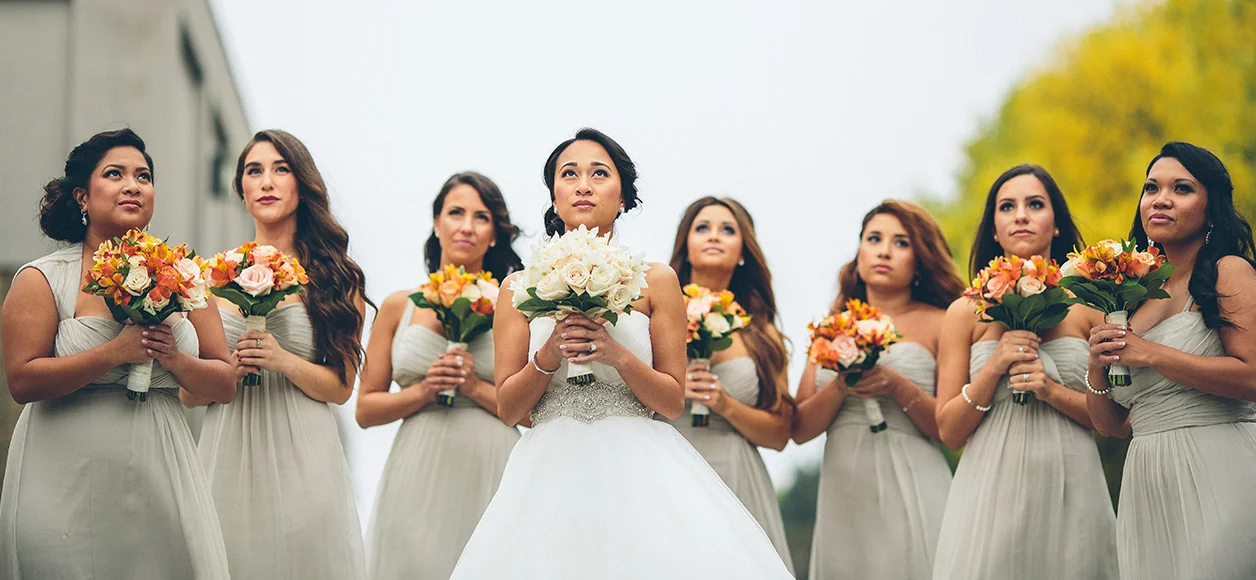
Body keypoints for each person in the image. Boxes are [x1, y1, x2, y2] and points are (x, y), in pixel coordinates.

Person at [449, 128, 793, 579]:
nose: (584, 185)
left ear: (624, 197)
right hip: (549, 465)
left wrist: (618, 355)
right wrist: (548, 354)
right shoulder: (517, 286)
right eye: (569, 174)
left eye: (599, 174)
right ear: (554, 196)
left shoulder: (658, 280)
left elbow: (672, 402)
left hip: (639, 462)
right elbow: (509, 409)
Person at [0, 129, 233, 579]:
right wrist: (114, 353)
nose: (133, 185)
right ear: (82, 197)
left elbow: (223, 384)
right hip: (63, 478)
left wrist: (175, 359)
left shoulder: (187, 279)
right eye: (115, 174)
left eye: (143, 177)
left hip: (161, 474)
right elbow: (21, 381)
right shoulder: (42, 279)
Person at [189, 130, 368, 579]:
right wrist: (227, 370)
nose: (267, 181)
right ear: (242, 190)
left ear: (301, 184)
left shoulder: (338, 278)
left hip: (304, 453)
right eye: (254, 171)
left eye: (280, 169)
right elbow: (189, 396)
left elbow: (341, 388)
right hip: (226, 451)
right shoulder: (208, 278)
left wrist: (282, 360)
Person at [932, 164, 1117, 580]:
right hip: (989, 487)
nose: (1021, 215)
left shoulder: (1091, 306)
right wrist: (994, 366)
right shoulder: (964, 312)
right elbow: (949, 431)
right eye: (1007, 207)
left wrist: (1050, 389)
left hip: (1072, 483)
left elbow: (1117, 423)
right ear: (994, 230)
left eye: (1035, 204)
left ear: (1056, 224)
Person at [1086, 142, 1256, 580]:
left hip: (1220, 467)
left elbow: (1252, 377)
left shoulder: (1229, 271)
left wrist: (1151, 353)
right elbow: (1111, 425)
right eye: (1151, 188)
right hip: (1146, 482)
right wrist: (1096, 366)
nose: (1160, 199)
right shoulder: (1131, 299)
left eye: (1181, 188)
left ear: (1211, 209)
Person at [357, 171, 524, 579]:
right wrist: (426, 390)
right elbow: (365, 410)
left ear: (495, 235)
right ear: (436, 223)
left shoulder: (517, 307)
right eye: (456, 213)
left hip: (493, 465)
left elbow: (534, 411)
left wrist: (474, 387)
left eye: (481, 217)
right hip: (419, 467)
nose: (467, 226)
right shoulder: (399, 306)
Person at [793, 200, 961, 579]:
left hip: (915, 472)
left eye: (901, 243)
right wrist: (841, 385)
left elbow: (950, 430)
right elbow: (799, 431)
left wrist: (896, 385)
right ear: (859, 253)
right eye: (874, 239)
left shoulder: (943, 322)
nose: (884, 251)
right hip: (845, 486)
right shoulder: (830, 329)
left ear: (920, 260)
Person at [665, 196, 794, 572]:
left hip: (737, 475)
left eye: (727, 230)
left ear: (743, 252)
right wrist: (670, 387)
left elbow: (780, 434)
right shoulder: (653, 313)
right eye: (702, 228)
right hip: (668, 467)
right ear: (685, 245)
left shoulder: (763, 334)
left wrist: (724, 403)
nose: (714, 236)